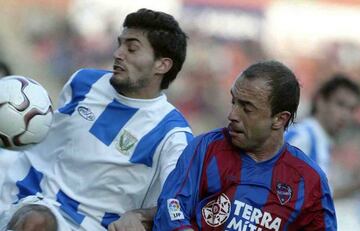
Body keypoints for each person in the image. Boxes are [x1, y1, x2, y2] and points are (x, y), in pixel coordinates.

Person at [0, 8, 193, 231]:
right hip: (35, 206)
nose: (118, 53)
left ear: (162, 65)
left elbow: (181, 203)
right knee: (36, 221)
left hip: (97, 227)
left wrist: (140, 215)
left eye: (131, 48)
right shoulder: (83, 83)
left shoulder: (172, 134)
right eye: (120, 44)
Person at [153, 60, 337, 230]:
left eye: (247, 108)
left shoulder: (310, 181)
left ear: (280, 119)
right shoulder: (207, 148)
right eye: (234, 102)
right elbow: (172, 204)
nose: (232, 115)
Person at [285, 75, 360, 197]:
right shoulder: (302, 137)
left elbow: (320, 197)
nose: (345, 115)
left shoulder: (322, 143)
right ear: (320, 101)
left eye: (351, 109)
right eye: (340, 104)